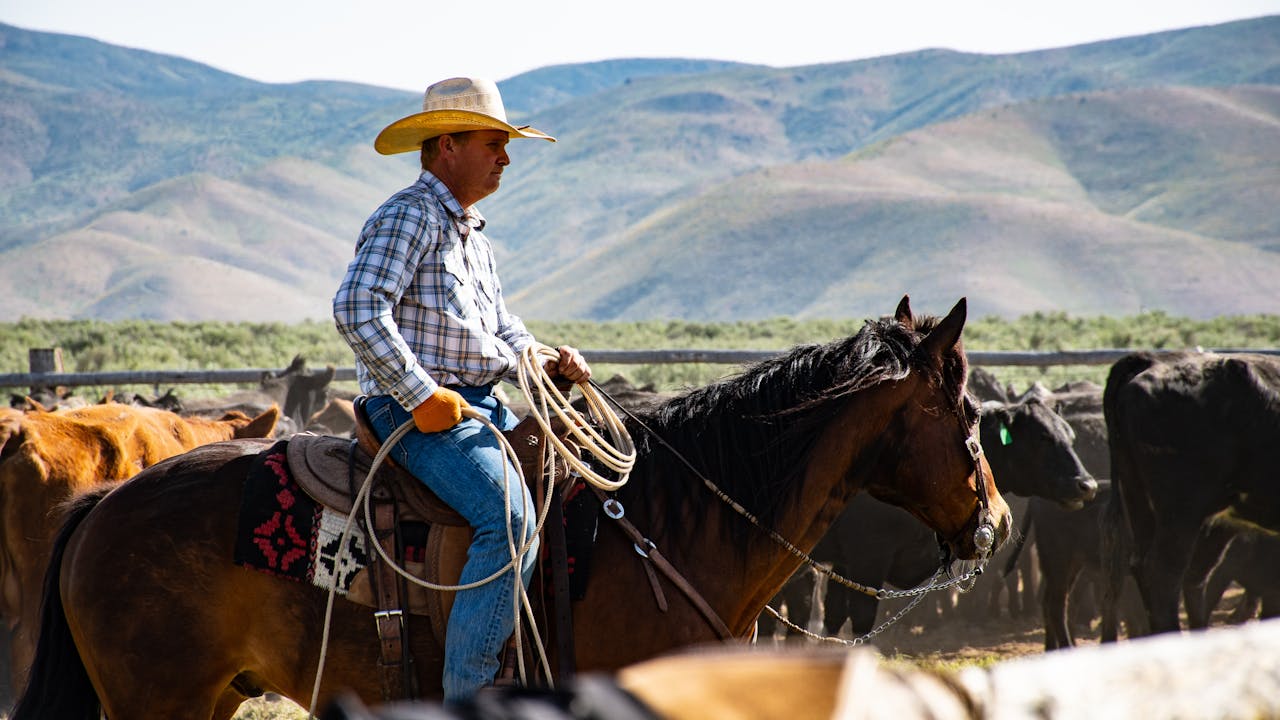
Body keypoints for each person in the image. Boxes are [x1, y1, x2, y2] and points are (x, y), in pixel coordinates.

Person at [332, 76, 592, 702]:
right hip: (411, 412)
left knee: (576, 487)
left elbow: (502, 327)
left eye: (507, 144)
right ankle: (467, 702)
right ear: (447, 145)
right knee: (507, 521)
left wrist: (547, 358)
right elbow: (357, 307)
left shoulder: (473, 234)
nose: (506, 156)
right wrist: (420, 394)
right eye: (494, 142)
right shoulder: (408, 215)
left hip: (477, 406)